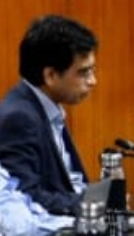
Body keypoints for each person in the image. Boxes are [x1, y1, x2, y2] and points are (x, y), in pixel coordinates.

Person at [0, 15, 98, 216]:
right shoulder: (19, 118)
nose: (92, 81)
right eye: (83, 72)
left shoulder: (45, 109)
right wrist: (91, 203)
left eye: (92, 70)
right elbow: (24, 199)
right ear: (51, 75)